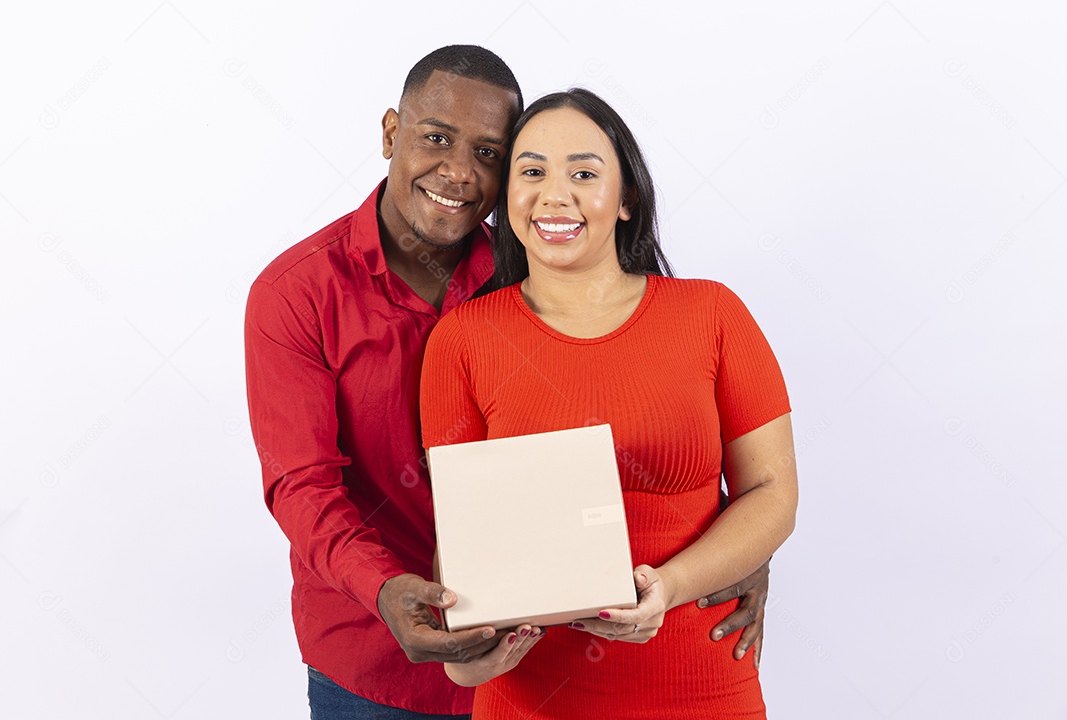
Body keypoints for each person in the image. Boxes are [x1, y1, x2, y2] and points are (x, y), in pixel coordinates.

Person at [245, 45, 772, 719]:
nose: (459, 173)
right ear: (389, 134)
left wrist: (733, 543)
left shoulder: (540, 266)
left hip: (542, 663)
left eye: (489, 154)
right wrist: (384, 590)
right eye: (436, 138)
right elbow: (302, 484)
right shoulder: (297, 294)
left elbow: (640, 395)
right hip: (375, 658)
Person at [418, 88, 798, 718]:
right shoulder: (462, 340)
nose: (554, 194)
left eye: (584, 173)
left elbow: (773, 495)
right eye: (532, 171)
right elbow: (462, 538)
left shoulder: (712, 314)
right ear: (507, 195)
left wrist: (670, 587)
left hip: (699, 686)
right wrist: (465, 654)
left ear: (625, 200)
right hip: (531, 697)